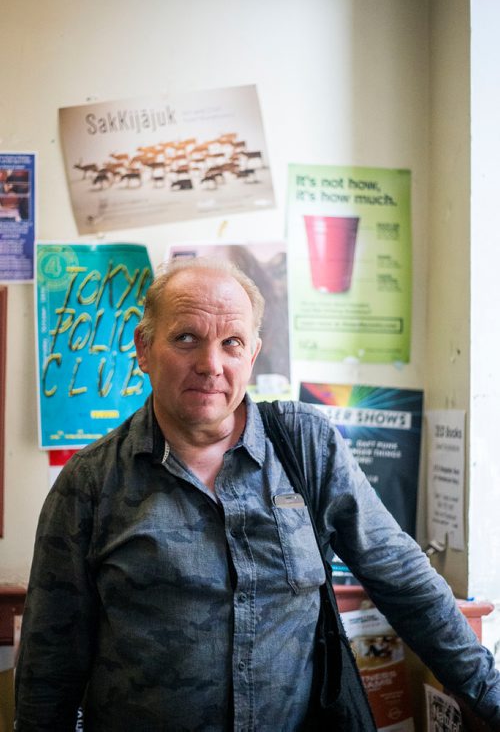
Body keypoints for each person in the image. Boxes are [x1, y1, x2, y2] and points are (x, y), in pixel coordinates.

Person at [15, 256, 500, 731]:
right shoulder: (91, 482)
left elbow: (403, 578)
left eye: (232, 343)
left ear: (252, 354)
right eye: (186, 338)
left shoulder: (306, 446)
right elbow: (49, 662)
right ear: (144, 347)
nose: (211, 364)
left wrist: (488, 695)